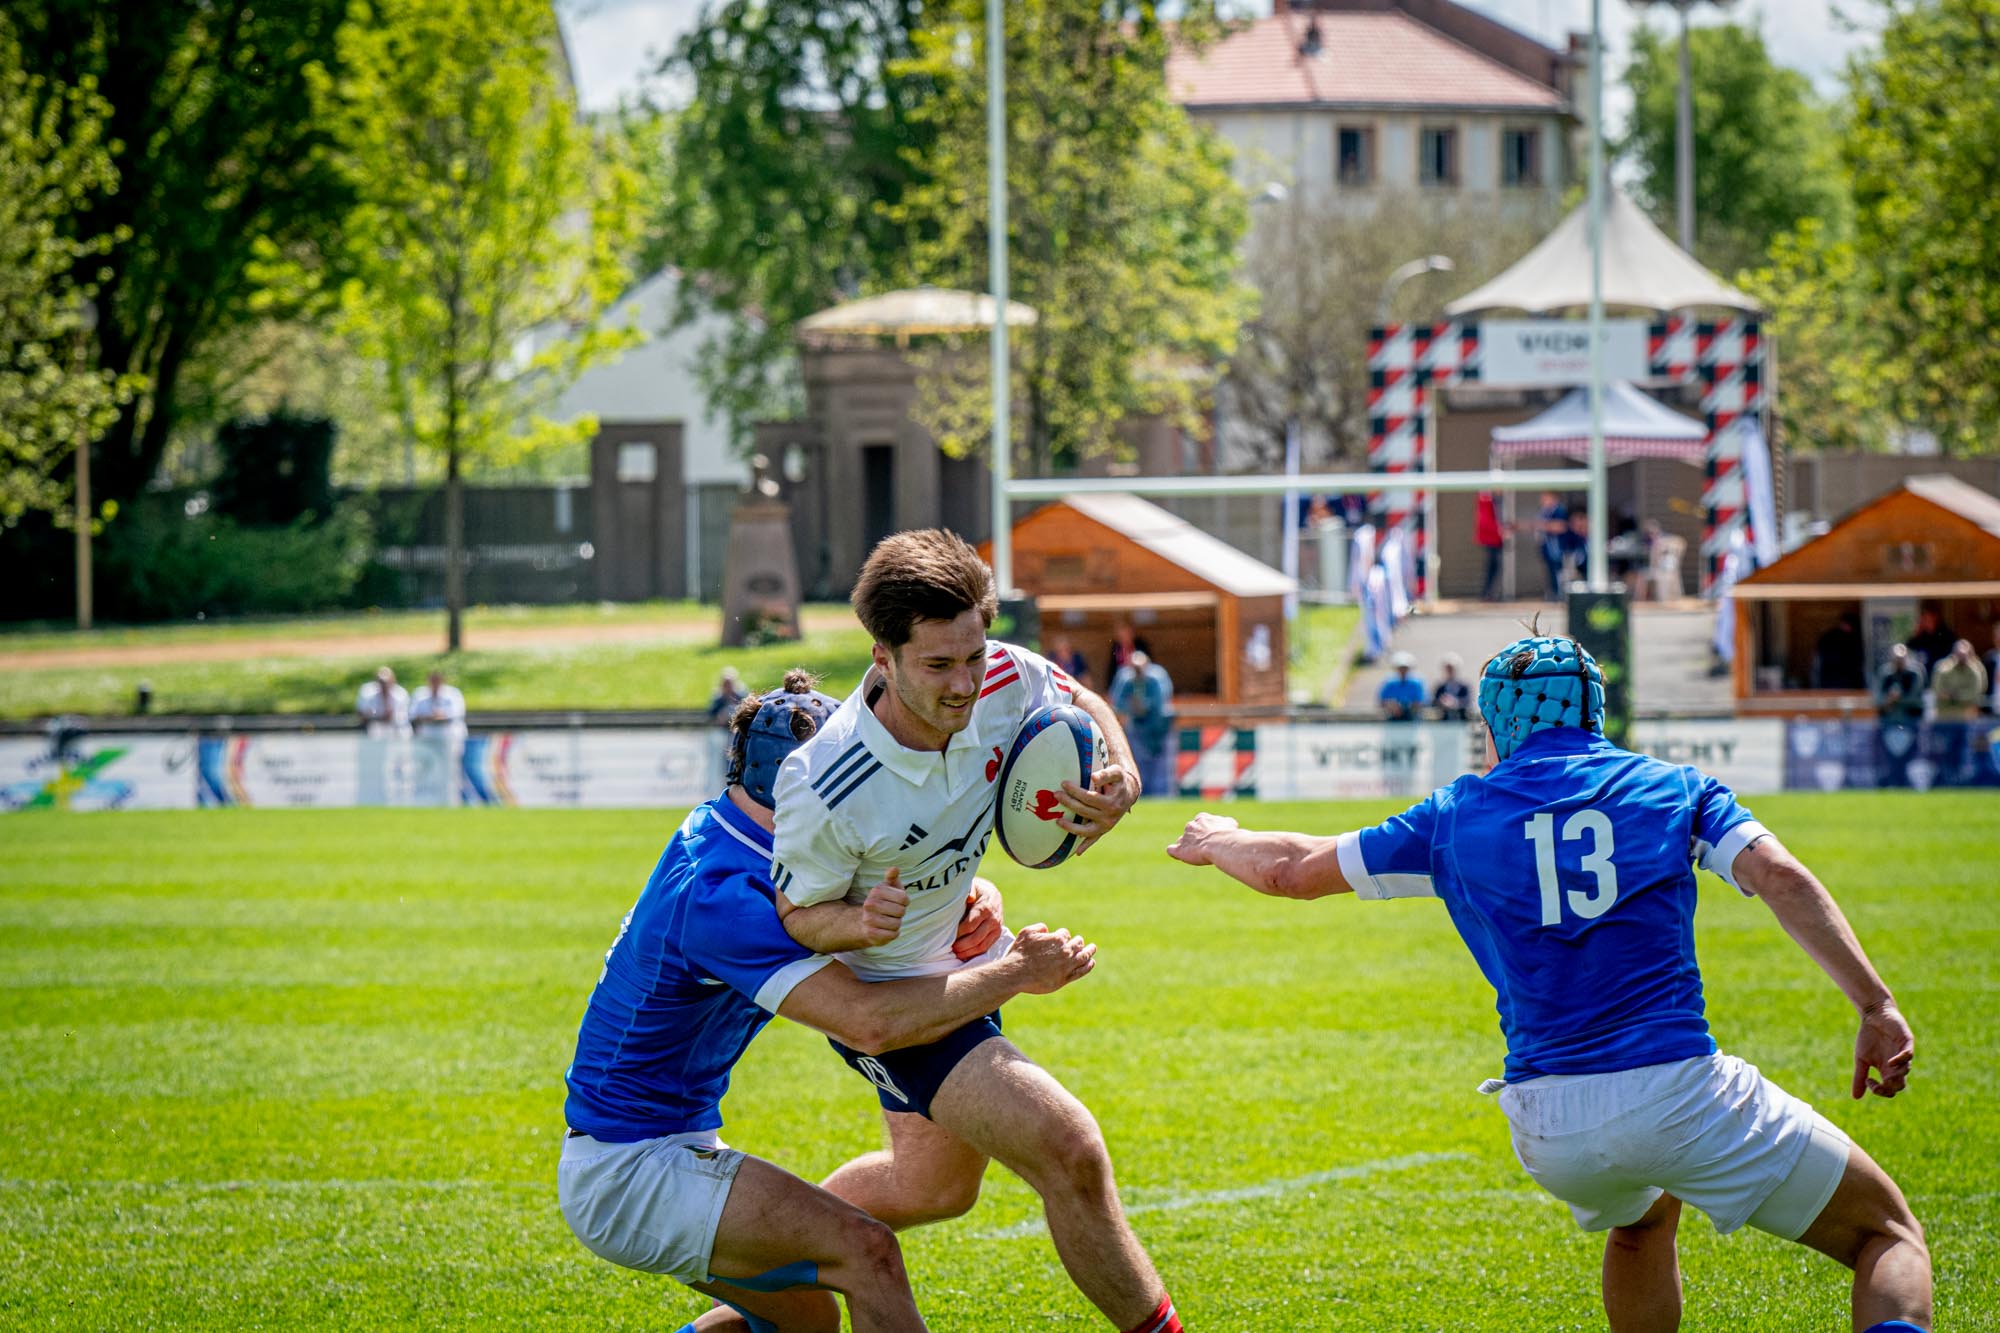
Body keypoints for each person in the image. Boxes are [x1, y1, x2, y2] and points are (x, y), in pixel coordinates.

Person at [1167, 633, 1931, 1333]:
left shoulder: (1455, 814)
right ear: (1596, 710)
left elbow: (1290, 869)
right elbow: (1780, 875)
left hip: (1549, 1121)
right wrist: (1876, 1003)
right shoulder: (1672, 787)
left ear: (1496, 724)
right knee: (1885, 1235)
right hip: (1675, 1090)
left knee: (1641, 1218)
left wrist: (1218, 841)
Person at [559, 670, 1099, 1333]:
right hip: (631, 1170)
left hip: (660, 1143)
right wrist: (1015, 971)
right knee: (866, 1252)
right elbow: (868, 1022)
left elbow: (879, 882)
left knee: (804, 1321)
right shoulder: (724, 892)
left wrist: (973, 894)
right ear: (797, 788)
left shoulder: (739, 834)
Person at [769, 530, 1184, 1333]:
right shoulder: (828, 781)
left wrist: (1122, 771)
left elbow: (1079, 699)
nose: (966, 683)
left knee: (935, 1190)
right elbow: (795, 917)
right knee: (1069, 1147)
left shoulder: (998, 671)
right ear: (882, 655)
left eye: (973, 654)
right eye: (938, 665)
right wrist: (857, 921)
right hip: (896, 1004)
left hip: (962, 956)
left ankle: (759, 1282)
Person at [1109, 650, 1176, 798]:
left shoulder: (1157, 677)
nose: (1137, 673)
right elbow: (1117, 703)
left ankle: (1162, 798)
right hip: (1137, 728)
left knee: (1161, 768)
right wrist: (1132, 706)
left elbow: (1160, 703)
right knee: (1138, 765)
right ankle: (1141, 795)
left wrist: (1144, 705)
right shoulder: (1125, 678)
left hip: (1159, 729)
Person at [1929, 639, 1986, 719]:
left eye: (1965, 655)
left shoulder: (1975, 670)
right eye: (1959, 654)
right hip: (1944, 714)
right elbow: (1937, 688)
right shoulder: (1943, 668)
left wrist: (1955, 696)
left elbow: (1976, 691)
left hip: (1966, 715)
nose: (1962, 657)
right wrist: (1949, 695)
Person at [1812, 612, 1868, 690]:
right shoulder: (1854, 638)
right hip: (1844, 682)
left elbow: (1817, 662)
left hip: (1832, 682)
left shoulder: (1827, 637)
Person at [409, 669, 467, 744]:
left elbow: (456, 714)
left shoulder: (453, 694)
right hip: (426, 737)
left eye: (437, 681)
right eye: (432, 681)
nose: (435, 684)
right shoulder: (419, 694)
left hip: (449, 737)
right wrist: (429, 717)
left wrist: (439, 716)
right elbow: (412, 715)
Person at [1875, 645, 1927, 728]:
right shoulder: (1885, 673)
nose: (1899, 662)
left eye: (1901, 660)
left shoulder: (1914, 674)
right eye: (1896, 660)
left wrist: (1897, 699)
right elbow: (1878, 698)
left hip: (1911, 718)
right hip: (1889, 720)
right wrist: (1888, 700)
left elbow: (1916, 698)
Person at [355, 666, 409, 738]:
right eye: (381, 682)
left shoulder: (401, 694)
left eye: (386, 682)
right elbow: (362, 716)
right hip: (376, 734)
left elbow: (397, 718)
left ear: (393, 680)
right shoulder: (369, 695)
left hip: (398, 734)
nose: (384, 685)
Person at [1536, 492, 1569, 601]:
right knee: (1551, 572)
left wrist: (1544, 525)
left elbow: (1561, 526)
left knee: (1558, 572)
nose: (1542, 500)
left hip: (1557, 549)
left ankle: (1559, 595)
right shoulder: (1545, 511)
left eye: (1545, 498)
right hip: (1548, 548)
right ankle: (1554, 593)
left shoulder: (1559, 511)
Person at [1474, 491, 1506, 601]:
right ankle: (1487, 593)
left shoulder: (1495, 500)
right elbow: (1485, 520)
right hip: (1491, 539)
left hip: (1495, 538)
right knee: (1492, 567)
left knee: (1494, 567)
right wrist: (1499, 530)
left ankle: (1489, 593)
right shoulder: (1486, 499)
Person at [1378, 650, 1424, 722]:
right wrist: (1391, 705)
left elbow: (1420, 701)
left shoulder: (1416, 684)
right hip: (1392, 716)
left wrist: (1406, 707)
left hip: (1411, 717)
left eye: (1405, 668)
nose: (1403, 670)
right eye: (1400, 668)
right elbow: (1382, 700)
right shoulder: (1390, 683)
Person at [1430, 653, 1470, 721]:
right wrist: (1442, 702)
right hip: (1443, 720)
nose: (1449, 671)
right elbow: (1433, 702)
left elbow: (1467, 701)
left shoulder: (1464, 686)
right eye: (1448, 669)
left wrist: (1455, 703)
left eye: (1451, 669)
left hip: (1461, 719)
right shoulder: (1440, 687)